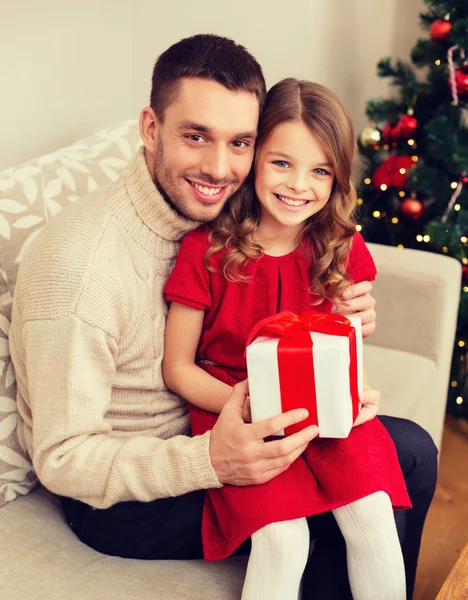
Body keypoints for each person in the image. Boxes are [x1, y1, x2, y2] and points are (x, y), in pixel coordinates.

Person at [8, 34, 437, 600]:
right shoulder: (79, 268)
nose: (219, 167)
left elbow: (282, 284)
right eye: (195, 136)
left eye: (240, 142)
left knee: (411, 452)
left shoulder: (214, 209)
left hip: (234, 418)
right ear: (150, 128)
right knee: (336, 520)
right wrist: (212, 460)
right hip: (137, 492)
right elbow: (64, 460)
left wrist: (343, 324)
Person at [162, 78, 410, 600]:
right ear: (253, 160)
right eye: (281, 163)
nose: (299, 185)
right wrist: (249, 405)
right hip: (240, 408)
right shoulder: (205, 251)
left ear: (338, 176)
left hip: (324, 406)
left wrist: (356, 383)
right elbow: (178, 368)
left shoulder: (339, 244)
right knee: (282, 541)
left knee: (373, 517)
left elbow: (348, 336)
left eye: (320, 170)